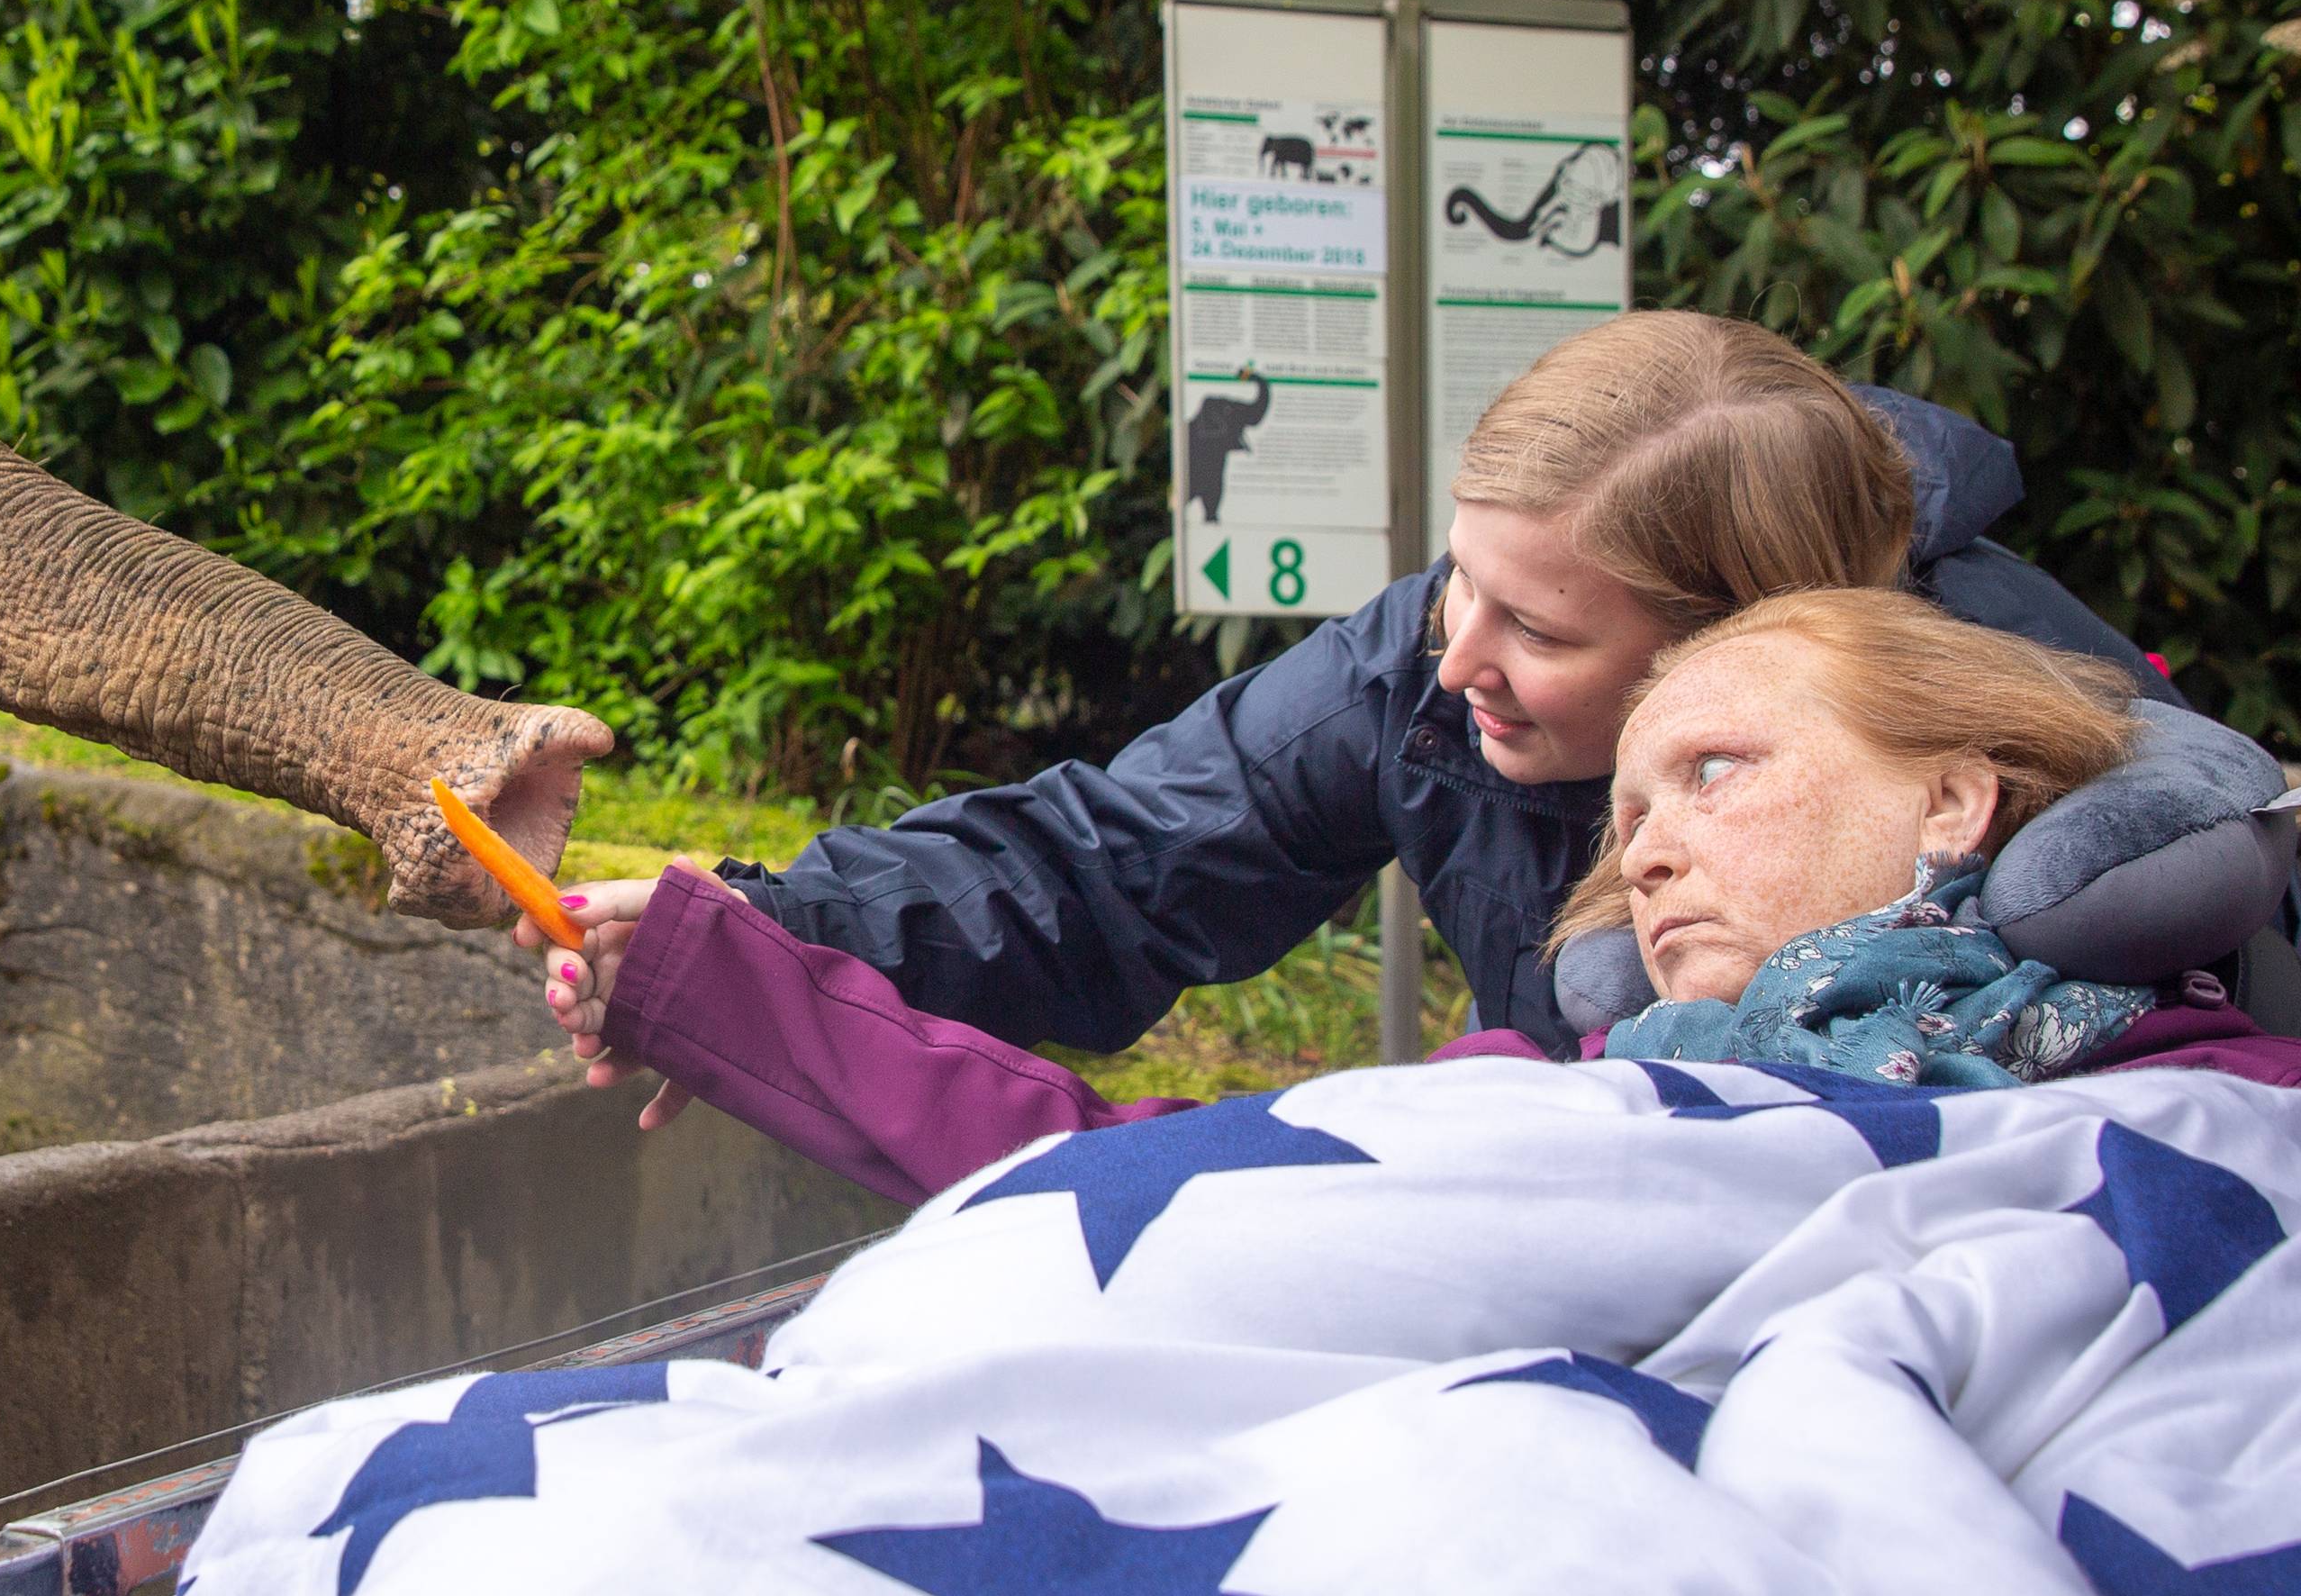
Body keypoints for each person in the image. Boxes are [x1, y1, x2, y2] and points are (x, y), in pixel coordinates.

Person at [539, 311, 2184, 1062]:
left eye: (1537, 630)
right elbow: (1112, 864)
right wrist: (767, 938)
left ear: (1725, 654)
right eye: (1460, 572)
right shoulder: (1427, 663)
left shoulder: (2037, 761)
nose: (1452, 653)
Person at [547, 589, 2301, 1205]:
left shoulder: (2226, 1109)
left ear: (1957, 796)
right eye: (1621, 816)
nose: (1647, 856)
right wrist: (757, 962)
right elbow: (1160, 1187)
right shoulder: (1589, 1108)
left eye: (1712, 775)